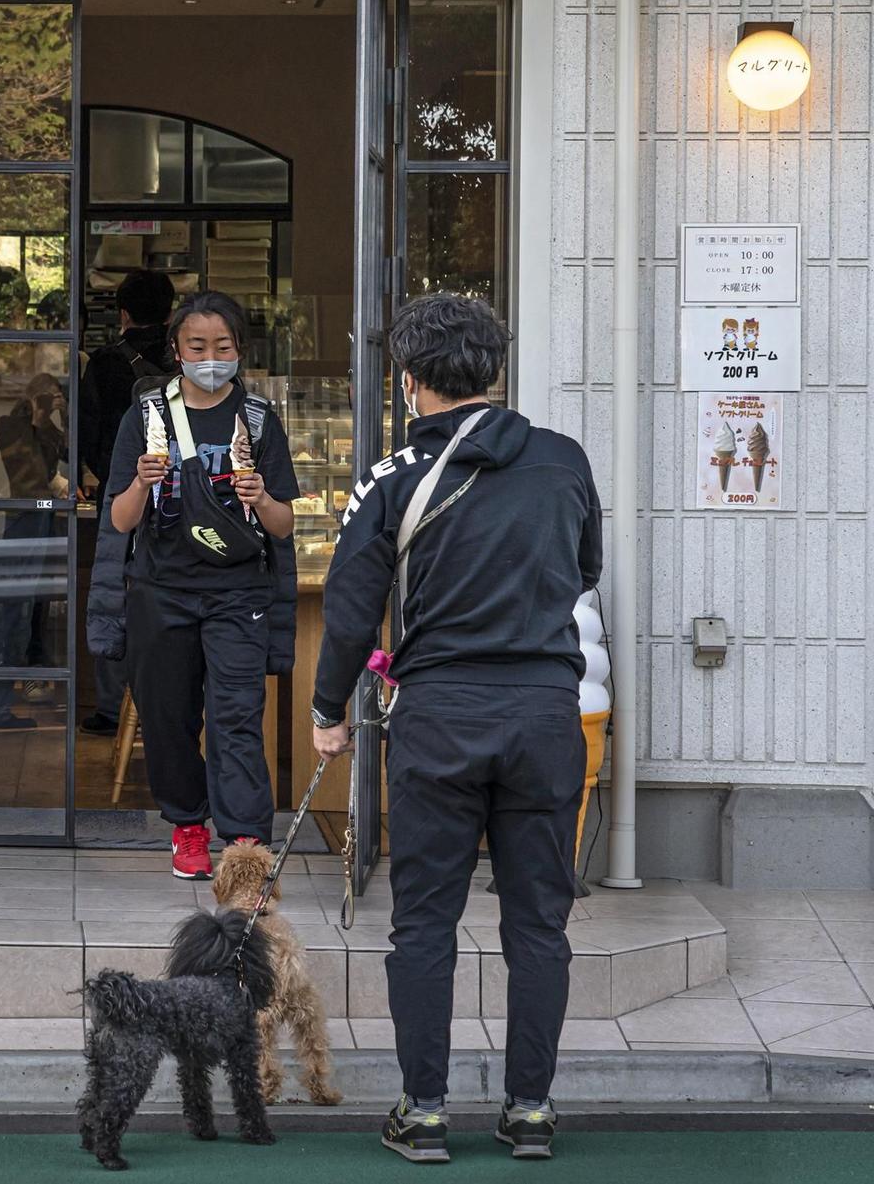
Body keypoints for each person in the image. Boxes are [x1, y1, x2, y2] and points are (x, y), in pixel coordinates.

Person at [309, 294, 602, 1164]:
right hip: (548, 714)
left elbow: (354, 607)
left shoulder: (392, 477)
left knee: (425, 921)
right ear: (496, 372)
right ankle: (531, 1110)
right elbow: (585, 569)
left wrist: (329, 713)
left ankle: (425, 1110)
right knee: (539, 924)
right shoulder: (564, 460)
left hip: (439, 717)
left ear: (408, 381)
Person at [102, 293, 298, 879]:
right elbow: (118, 520)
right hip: (161, 591)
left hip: (239, 594)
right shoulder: (146, 416)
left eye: (223, 347)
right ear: (177, 350)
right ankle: (187, 828)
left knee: (237, 716)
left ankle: (244, 845)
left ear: (239, 350)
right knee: (167, 716)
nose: (211, 358)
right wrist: (141, 482)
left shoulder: (258, 419)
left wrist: (259, 496)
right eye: (197, 347)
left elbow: (284, 525)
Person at [78, 270, 176, 735]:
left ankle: (113, 708)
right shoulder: (186, 358)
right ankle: (172, 701)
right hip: (183, 498)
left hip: (122, 496)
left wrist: (111, 479)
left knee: (115, 593)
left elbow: (88, 436)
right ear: (173, 312)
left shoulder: (104, 362)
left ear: (122, 314)